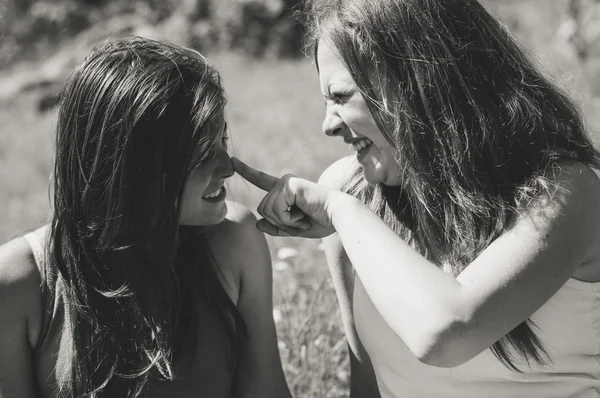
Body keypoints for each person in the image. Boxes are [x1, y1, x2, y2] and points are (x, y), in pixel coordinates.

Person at [232, 0, 600, 396]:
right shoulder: (351, 192)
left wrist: (342, 211)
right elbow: (368, 383)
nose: (328, 124)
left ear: (415, 82)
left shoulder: (566, 193)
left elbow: (446, 333)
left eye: (339, 96)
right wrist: (345, 208)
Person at [0, 37, 291, 398]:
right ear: (132, 168)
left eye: (223, 140)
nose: (227, 168)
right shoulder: (20, 281)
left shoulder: (235, 241)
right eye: (201, 153)